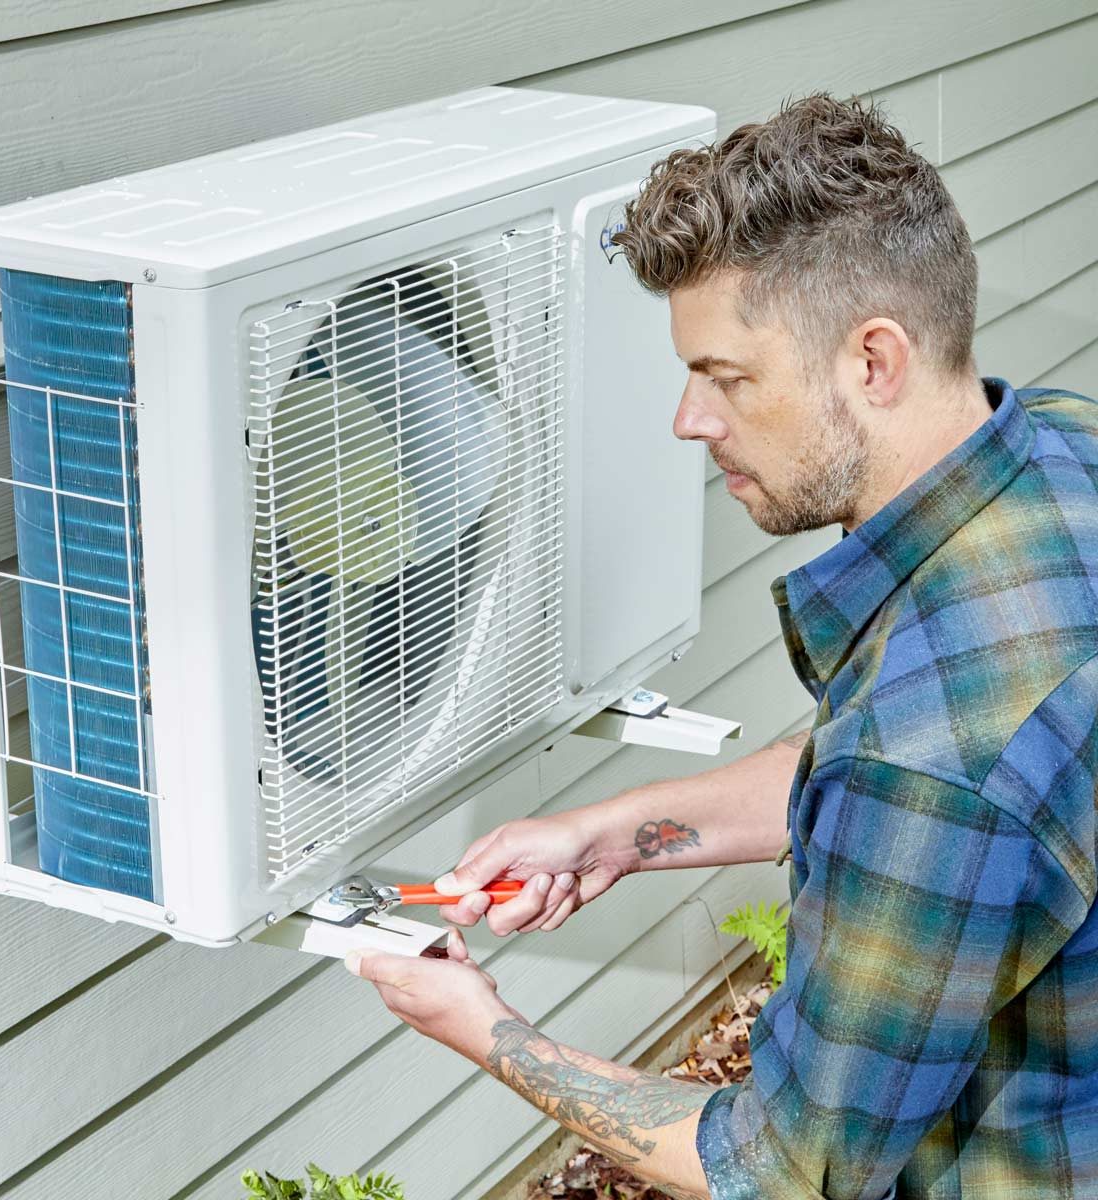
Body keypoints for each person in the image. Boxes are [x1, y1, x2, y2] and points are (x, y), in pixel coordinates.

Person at [343, 92, 1098, 1199]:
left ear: (873, 360)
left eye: (727, 377)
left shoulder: (931, 765)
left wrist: (490, 1033)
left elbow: (786, 1170)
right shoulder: (1057, 449)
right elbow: (912, 770)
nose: (690, 421)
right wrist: (613, 835)